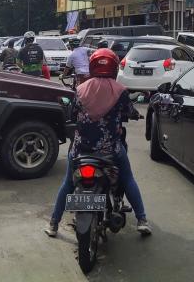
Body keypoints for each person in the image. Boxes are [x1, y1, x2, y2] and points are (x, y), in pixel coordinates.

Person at [44, 48, 151, 237]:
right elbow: (129, 111)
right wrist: (134, 114)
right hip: (110, 149)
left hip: (80, 149)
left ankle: (53, 223)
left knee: (68, 184)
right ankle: (142, 219)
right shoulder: (121, 91)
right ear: (114, 68)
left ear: (92, 66)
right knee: (127, 179)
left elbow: (73, 114)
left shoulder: (80, 89)